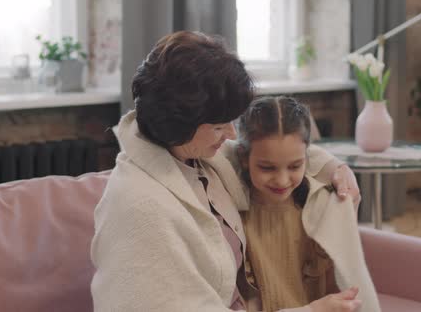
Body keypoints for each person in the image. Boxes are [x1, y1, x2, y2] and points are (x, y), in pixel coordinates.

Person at [90, 31, 361, 311]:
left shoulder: (193, 155)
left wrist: (337, 170)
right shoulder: (141, 209)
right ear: (179, 123)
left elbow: (263, 153)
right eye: (219, 126)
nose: (231, 134)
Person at [237, 96, 380, 312]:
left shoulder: (323, 206)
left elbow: (342, 283)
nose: (283, 180)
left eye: (295, 166)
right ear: (243, 159)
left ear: (307, 158)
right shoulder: (234, 212)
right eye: (267, 168)